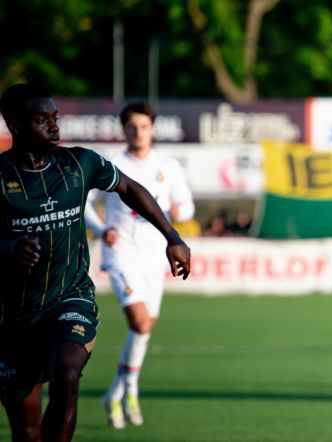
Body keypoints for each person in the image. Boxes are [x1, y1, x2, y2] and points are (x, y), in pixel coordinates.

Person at [0, 84, 191, 441]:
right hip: (12, 314)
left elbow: (131, 188)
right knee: (26, 431)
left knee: (67, 374)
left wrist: (173, 236)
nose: (54, 127)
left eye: (55, 118)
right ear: (15, 123)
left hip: (69, 299)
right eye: (42, 120)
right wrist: (10, 248)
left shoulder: (79, 162)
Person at [83, 103, 195, 429]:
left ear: (152, 129)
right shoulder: (112, 165)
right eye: (132, 126)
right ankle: (130, 387)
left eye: (144, 126)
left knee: (143, 331)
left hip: (154, 257)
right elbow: (86, 203)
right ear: (124, 129)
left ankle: (118, 391)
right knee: (140, 322)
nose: (138, 132)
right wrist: (103, 230)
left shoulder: (167, 166)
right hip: (121, 255)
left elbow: (186, 207)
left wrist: (180, 210)